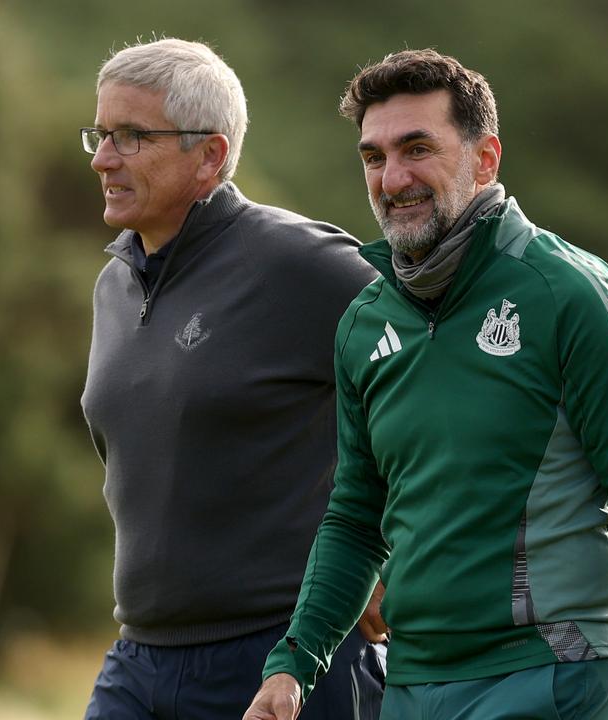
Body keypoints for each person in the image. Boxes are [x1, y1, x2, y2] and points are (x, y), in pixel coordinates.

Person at [244, 49, 608, 720]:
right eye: (373, 156)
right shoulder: (365, 324)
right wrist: (294, 662)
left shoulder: (568, 294)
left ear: (485, 159)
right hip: (412, 684)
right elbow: (357, 517)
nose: (393, 178)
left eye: (417, 148)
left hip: (550, 673)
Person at [79, 38, 385, 720]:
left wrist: (386, 550)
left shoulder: (299, 265)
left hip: (283, 656)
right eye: (100, 135)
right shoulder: (113, 286)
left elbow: (438, 379)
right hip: (140, 654)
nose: (103, 158)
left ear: (210, 155)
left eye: (132, 137)